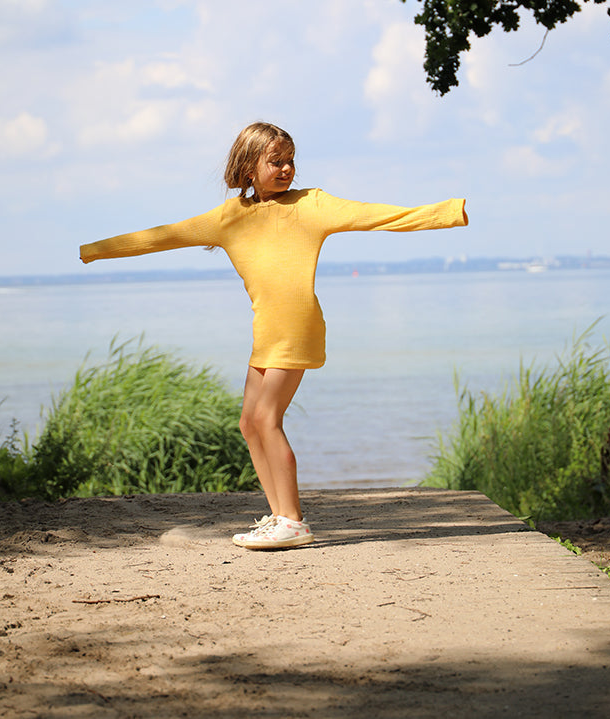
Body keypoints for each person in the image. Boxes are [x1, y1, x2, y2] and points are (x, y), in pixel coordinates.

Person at [80, 122, 468, 550]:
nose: (287, 169)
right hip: (266, 329)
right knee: (249, 423)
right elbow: (163, 236)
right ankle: (279, 515)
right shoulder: (230, 218)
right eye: (276, 162)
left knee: (268, 419)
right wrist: (96, 250)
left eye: (290, 161)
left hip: (296, 325)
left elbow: (378, 215)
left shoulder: (312, 205)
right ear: (248, 168)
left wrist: (448, 212)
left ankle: (293, 520)